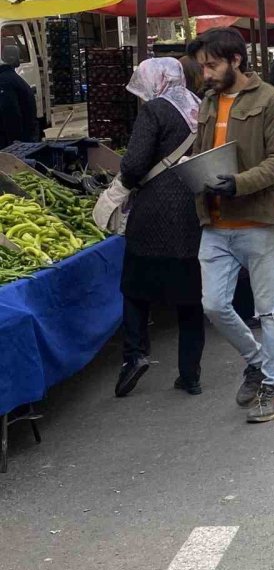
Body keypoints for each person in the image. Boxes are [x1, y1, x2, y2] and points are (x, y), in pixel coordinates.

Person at [189, 27, 274, 423]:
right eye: (202, 67)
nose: (206, 74)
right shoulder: (208, 102)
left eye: (212, 65)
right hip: (214, 221)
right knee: (214, 305)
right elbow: (202, 153)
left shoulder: (271, 100)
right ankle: (256, 361)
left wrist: (238, 183)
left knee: (268, 310)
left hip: (258, 220)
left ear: (236, 60)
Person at [114, 58, 204, 398]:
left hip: (154, 213)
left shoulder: (154, 111)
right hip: (192, 212)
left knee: (135, 287)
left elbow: (135, 164)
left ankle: (134, 356)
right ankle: (190, 373)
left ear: (156, 81)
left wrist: (123, 182)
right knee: (190, 295)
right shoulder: (200, 106)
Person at [0, 44, 37, 148]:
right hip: (25, 136)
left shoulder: (4, 81)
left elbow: (11, 113)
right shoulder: (12, 79)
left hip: (17, 140)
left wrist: (15, 143)